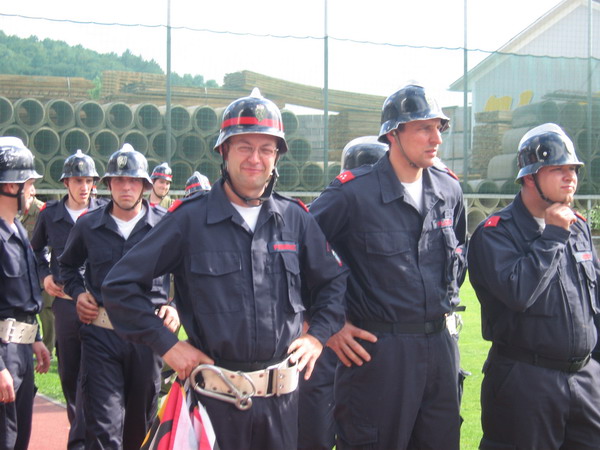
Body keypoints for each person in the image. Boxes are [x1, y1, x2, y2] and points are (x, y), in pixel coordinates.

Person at [102, 88, 348, 450]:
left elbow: (334, 284)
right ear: (224, 151)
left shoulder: (295, 219)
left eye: (266, 149)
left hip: (281, 408)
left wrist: (317, 337)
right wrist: (168, 346)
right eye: (244, 146)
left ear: (277, 156)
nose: (255, 158)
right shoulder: (189, 220)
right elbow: (119, 286)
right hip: (212, 406)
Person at [309, 84, 467, 449]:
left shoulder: (448, 190)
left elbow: (459, 256)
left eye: (438, 128)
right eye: (424, 128)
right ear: (393, 134)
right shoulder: (353, 194)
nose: (436, 139)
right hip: (379, 354)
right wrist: (328, 326)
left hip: (440, 349)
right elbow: (295, 255)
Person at [468, 123, 600, 449]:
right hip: (526, 381)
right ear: (529, 177)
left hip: (585, 379)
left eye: (573, 169)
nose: (570, 177)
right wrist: (553, 236)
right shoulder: (495, 233)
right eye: (558, 169)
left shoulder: (579, 227)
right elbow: (519, 294)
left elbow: (593, 303)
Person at [58, 144, 180, 449]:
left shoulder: (166, 225)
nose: (126, 187)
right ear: (108, 184)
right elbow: (67, 266)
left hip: (148, 338)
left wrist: (176, 306)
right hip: (101, 336)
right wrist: (78, 293)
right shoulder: (88, 225)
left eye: (133, 181)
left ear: (144, 185)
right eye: (119, 180)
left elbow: (190, 274)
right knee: (103, 426)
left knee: (140, 427)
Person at [298, 135, 388, 450]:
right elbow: (290, 265)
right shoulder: (332, 206)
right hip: (326, 341)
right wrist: (322, 326)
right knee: (314, 436)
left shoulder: (392, 214)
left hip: (374, 344)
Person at [30, 149, 104, 449]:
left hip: (100, 305)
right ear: (66, 183)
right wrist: (45, 276)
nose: (84, 187)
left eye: (88, 181)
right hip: (65, 302)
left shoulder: (105, 212)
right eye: (77, 180)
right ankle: (79, 431)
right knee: (70, 369)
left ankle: (94, 432)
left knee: (100, 369)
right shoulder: (50, 215)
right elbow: (35, 251)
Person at [0, 137, 51, 450]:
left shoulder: (17, 229)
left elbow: (21, 299)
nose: (33, 191)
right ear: (10, 186)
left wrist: (35, 338)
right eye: (29, 183)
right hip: (3, 354)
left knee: (19, 439)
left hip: (20, 352)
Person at [17, 182, 55, 356]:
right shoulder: (16, 212)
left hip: (43, 271)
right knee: (24, 310)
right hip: (22, 272)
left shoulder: (42, 211)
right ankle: (25, 346)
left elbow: (52, 243)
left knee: (47, 311)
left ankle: (48, 348)